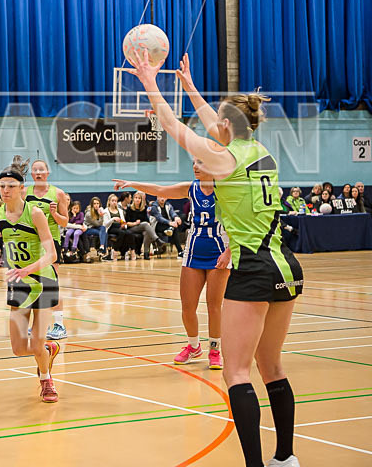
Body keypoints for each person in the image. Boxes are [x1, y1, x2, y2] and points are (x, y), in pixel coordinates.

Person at [132, 49, 303, 467]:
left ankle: (256, 466)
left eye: (218, 123)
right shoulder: (259, 151)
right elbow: (214, 120)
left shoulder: (221, 159)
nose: (212, 126)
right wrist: (189, 87)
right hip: (287, 265)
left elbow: (171, 125)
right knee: (272, 367)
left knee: (237, 374)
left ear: (226, 127)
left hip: (254, 268)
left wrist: (151, 82)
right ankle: (286, 458)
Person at [115, 157, 230, 370]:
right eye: (193, 163)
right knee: (188, 306)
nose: (195, 166)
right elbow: (160, 188)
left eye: (200, 163)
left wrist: (229, 253)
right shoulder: (190, 188)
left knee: (214, 306)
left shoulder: (225, 191)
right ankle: (193, 346)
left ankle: (215, 350)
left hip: (218, 253)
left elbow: (239, 224)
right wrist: (132, 184)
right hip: (193, 252)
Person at [0, 156, 61, 403]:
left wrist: (29, 268)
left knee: (36, 342)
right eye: (2, 186)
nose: (5, 191)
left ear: (21, 189)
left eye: (10, 186)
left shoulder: (35, 213)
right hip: (18, 283)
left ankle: (46, 381)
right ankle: (49, 350)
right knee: (18, 348)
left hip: (43, 280)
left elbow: (52, 254)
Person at [26, 159, 69, 340]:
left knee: (52, 283)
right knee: (34, 283)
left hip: (51, 242)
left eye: (41, 170)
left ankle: (59, 324)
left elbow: (65, 221)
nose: (38, 173)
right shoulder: (24, 192)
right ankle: (38, 324)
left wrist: (54, 214)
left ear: (47, 173)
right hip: (31, 242)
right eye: (35, 170)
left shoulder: (57, 194)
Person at [124, 191, 165, 259]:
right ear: (133, 199)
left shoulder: (144, 208)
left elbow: (147, 220)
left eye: (139, 198)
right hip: (132, 228)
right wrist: (135, 223)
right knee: (145, 225)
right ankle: (157, 240)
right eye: (136, 198)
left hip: (142, 228)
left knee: (147, 232)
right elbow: (127, 223)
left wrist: (146, 223)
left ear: (141, 200)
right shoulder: (129, 208)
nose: (137, 199)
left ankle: (146, 253)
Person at [102, 194, 135, 259]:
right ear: (109, 201)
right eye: (112, 201)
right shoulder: (105, 211)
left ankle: (132, 250)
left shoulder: (120, 210)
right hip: (111, 227)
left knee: (130, 233)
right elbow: (105, 224)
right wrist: (113, 219)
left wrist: (124, 225)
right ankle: (115, 250)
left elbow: (123, 221)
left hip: (120, 227)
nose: (114, 202)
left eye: (115, 201)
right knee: (122, 233)